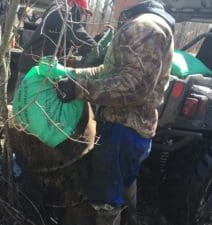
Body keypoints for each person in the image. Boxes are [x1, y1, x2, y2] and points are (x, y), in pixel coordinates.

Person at [55, 0, 175, 224]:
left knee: (105, 200)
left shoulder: (145, 27)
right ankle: (130, 219)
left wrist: (79, 89)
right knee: (122, 184)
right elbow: (109, 70)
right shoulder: (139, 23)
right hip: (129, 128)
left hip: (124, 128)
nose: (112, 2)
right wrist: (72, 74)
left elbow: (133, 86)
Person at [17, 0, 99, 81]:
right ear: (73, 5)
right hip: (33, 66)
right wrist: (96, 49)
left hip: (41, 66)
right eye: (81, 12)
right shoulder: (60, 12)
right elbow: (79, 36)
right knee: (27, 93)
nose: (82, 16)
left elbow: (76, 42)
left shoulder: (61, 15)